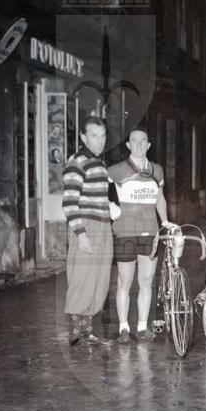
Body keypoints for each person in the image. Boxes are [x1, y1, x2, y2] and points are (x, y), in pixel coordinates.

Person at [108, 127, 171, 343]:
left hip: (150, 232)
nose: (138, 144)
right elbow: (95, 186)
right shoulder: (118, 169)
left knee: (146, 281)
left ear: (148, 145)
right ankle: (124, 328)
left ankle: (143, 327)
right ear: (128, 145)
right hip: (125, 232)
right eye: (134, 141)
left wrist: (164, 221)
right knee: (125, 281)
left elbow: (160, 198)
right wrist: (109, 206)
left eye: (143, 141)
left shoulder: (157, 170)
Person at [62, 116, 117, 347]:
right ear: (83, 137)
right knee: (82, 276)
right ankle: (77, 330)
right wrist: (81, 234)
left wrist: (110, 207)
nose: (99, 141)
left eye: (102, 136)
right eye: (94, 136)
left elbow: (95, 197)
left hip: (103, 226)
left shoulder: (99, 163)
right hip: (86, 226)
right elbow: (69, 203)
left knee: (99, 278)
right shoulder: (77, 162)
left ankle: (88, 331)